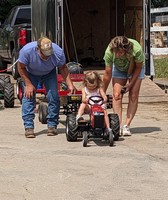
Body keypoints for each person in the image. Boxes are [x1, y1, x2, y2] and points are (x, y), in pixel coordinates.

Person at [18, 36, 76, 138]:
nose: (47, 57)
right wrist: (28, 84)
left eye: (49, 53)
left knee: (53, 96)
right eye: (44, 54)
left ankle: (52, 125)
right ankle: (29, 127)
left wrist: (70, 84)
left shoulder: (58, 52)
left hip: (49, 73)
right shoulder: (27, 51)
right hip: (30, 73)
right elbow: (21, 67)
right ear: (38, 49)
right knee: (29, 96)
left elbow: (63, 68)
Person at [103, 36, 145, 136]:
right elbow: (107, 74)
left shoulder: (136, 49)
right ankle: (117, 125)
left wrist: (130, 84)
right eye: (115, 52)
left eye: (120, 52)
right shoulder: (109, 51)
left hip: (135, 68)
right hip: (119, 69)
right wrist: (102, 92)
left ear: (126, 49)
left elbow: (138, 68)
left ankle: (127, 125)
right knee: (117, 95)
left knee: (133, 95)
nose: (117, 54)